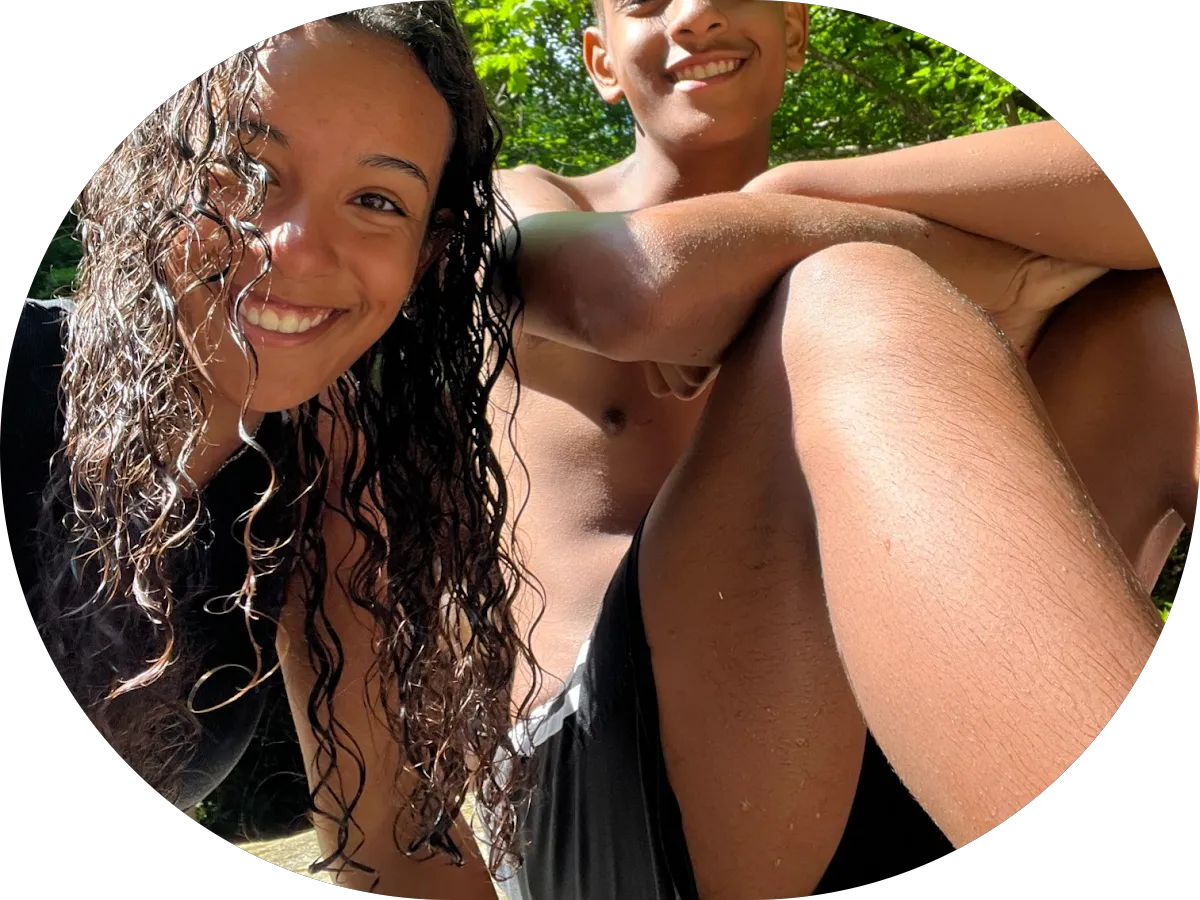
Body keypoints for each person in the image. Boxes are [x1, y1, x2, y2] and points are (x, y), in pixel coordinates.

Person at [482, 1, 1197, 898]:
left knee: (1151, 320)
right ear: (600, 60)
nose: (695, 15)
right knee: (842, 291)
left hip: (908, 712)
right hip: (613, 787)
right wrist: (1011, 266)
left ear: (795, 31)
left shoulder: (843, 193)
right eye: (646, 3)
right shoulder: (528, 199)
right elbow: (638, 286)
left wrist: (796, 190)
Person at [1, 5, 540, 898]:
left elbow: (396, 845)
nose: (296, 249)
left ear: (427, 256)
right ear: (155, 173)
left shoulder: (329, 470)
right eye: (248, 170)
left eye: (377, 201)